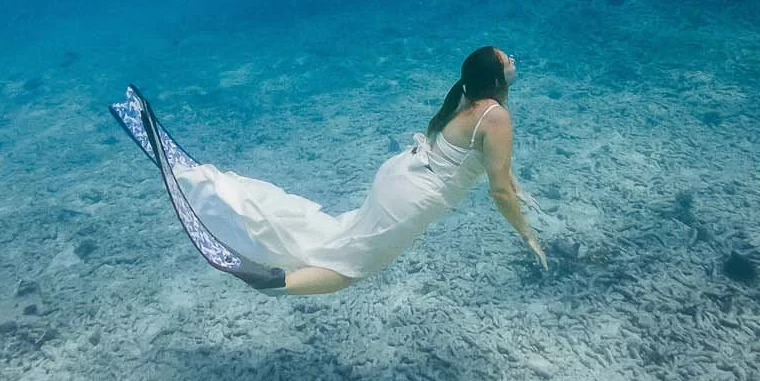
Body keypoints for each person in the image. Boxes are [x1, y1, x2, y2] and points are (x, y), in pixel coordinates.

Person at [110, 48, 545, 295]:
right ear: (498, 77)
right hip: (413, 197)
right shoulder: (497, 117)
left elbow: (493, 167)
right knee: (353, 266)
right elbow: (499, 191)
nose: (513, 60)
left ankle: (207, 186)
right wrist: (525, 233)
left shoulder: (470, 101)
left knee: (335, 235)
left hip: (400, 176)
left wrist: (512, 186)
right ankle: (272, 282)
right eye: (508, 58)